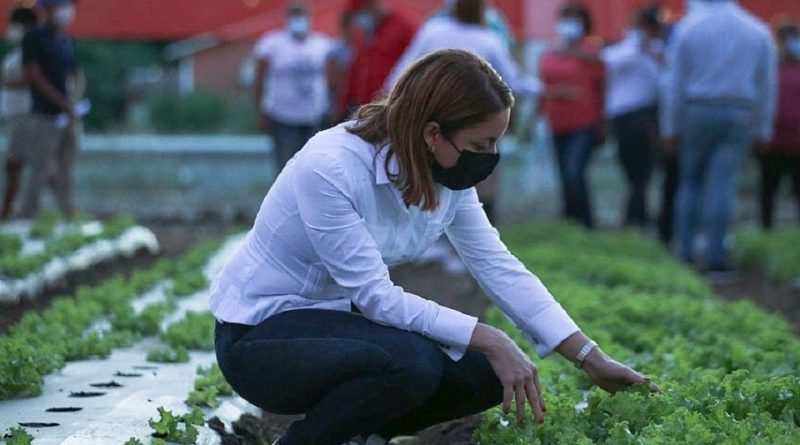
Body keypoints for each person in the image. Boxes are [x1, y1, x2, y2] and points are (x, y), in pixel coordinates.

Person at [210, 49, 655, 445]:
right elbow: (376, 298)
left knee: (484, 376)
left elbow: (498, 266)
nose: (490, 155)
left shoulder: (448, 178)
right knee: (413, 362)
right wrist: (490, 336)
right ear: (432, 134)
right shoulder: (331, 167)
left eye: (496, 141)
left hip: (336, 329)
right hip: (260, 337)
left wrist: (588, 357)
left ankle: (361, 435)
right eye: (481, 144)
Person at [385, 0, 541, 225]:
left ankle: (437, 243)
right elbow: (514, 82)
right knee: (478, 187)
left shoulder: (432, 31)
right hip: (476, 123)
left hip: (433, 122)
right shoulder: (490, 39)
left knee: (431, 183)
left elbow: (399, 76)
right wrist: (543, 88)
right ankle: (479, 233)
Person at [660, 0, 777, 274]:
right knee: (722, 185)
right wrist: (763, 129)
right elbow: (766, 86)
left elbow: (673, 82)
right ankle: (716, 257)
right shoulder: (757, 30)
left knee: (689, 182)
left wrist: (669, 128)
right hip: (738, 112)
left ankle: (685, 252)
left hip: (695, 109)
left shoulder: (688, 29)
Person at [538, 2, 605, 229]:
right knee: (564, 176)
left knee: (574, 171)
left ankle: (586, 222)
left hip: (584, 121)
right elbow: (541, 86)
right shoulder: (550, 51)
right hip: (556, 122)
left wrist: (604, 124)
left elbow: (602, 87)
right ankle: (569, 221)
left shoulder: (591, 51)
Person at [19, 0, 83, 219]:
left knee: (67, 168)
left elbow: (73, 74)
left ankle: (68, 213)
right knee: (40, 168)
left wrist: (73, 102)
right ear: (47, 9)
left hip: (68, 117)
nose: (67, 11)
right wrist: (61, 102)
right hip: (44, 115)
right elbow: (33, 75)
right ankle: (28, 215)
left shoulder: (64, 39)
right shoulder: (34, 37)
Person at [602, 6, 664, 227]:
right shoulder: (625, 50)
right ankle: (635, 214)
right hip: (623, 117)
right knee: (632, 170)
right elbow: (607, 61)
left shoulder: (658, 51)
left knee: (643, 171)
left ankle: (636, 216)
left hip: (646, 115)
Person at [254, 2, 332, 173]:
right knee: (285, 169)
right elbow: (259, 78)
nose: (298, 19)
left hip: (314, 116)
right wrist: (260, 111)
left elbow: (332, 78)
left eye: (302, 14)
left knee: (313, 168)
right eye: (294, 14)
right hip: (283, 118)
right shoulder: (272, 43)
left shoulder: (322, 44)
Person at [333, 0, 414, 121]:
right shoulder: (367, 34)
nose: (359, 19)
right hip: (364, 108)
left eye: (360, 13)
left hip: (390, 107)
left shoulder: (403, 28)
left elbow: (414, 67)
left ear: (370, 6)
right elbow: (356, 70)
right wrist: (342, 105)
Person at [757, 20, 800, 229]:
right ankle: (766, 230)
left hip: (796, 141)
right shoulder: (769, 67)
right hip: (772, 140)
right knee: (768, 189)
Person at [1, 6, 38, 219]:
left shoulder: (32, 49)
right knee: (22, 164)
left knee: (16, 164)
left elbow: (32, 79)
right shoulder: (19, 51)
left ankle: (7, 211)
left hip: (25, 114)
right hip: (16, 115)